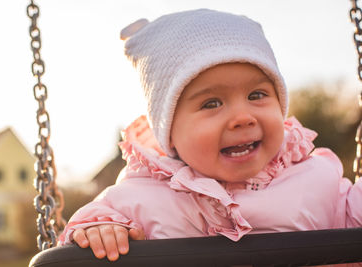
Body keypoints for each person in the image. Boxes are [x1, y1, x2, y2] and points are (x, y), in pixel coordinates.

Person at [58, 9, 362, 262]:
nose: (243, 117)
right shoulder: (136, 198)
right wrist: (98, 229)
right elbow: (87, 226)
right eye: (211, 103)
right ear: (169, 133)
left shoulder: (318, 181)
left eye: (257, 94)